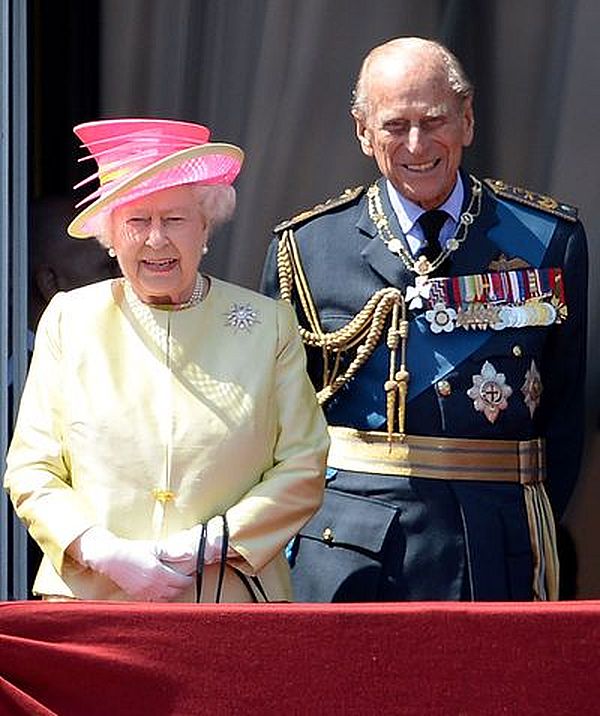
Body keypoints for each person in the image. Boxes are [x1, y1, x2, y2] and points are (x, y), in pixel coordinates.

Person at [261, 37, 588, 601]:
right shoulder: (307, 247)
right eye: (394, 125)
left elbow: (564, 412)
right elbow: (276, 421)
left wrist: (517, 517)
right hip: (345, 549)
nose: (417, 144)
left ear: (467, 119)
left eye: (434, 120)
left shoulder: (546, 240)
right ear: (363, 132)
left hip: (493, 541)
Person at [4, 118, 329, 602]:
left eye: (175, 220)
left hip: (230, 600)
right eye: (137, 221)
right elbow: (32, 468)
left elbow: (303, 464)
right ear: (110, 235)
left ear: (206, 227)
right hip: (94, 603)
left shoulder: (267, 326)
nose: (156, 240)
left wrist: (214, 542)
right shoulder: (70, 320)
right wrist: (100, 550)